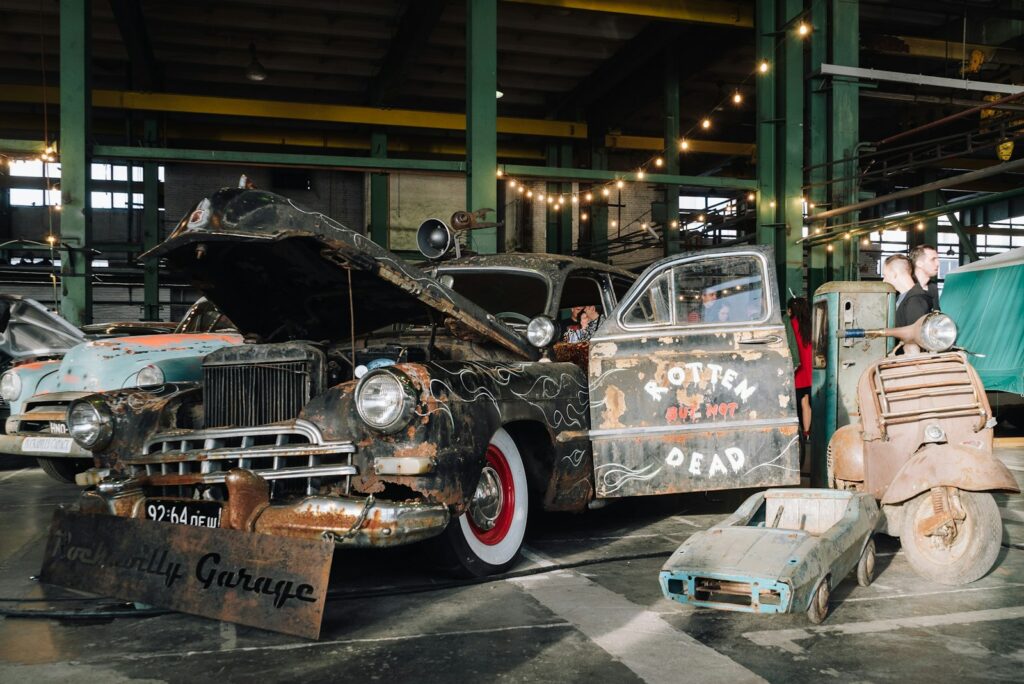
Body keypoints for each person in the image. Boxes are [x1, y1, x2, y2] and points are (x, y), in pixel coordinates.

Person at [786, 297, 812, 443]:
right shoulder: (809, 326)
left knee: (792, 404)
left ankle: (796, 434)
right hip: (808, 374)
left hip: (796, 372)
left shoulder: (789, 325)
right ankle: (807, 433)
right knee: (805, 403)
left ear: (790, 310)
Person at [883, 253, 931, 327]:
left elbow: (915, 335)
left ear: (893, 274)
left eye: (885, 275)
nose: (884, 281)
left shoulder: (916, 300)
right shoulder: (900, 297)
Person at [909, 243, 941, 311]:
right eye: (933, 259)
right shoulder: (908, 285)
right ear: (919, 263)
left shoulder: (933, 288)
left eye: (937, 259)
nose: (938, 263)